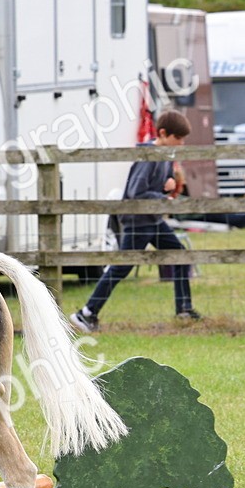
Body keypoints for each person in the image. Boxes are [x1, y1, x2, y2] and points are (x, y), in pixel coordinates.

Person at [69, 110, 201, 334]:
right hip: (138, 222)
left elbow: (155, 187)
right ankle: (86, 312)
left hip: (153, 221)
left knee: (181, 255)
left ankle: (184, 309)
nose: (181, 143)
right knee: (121, 268)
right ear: (163, 133)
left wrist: (167, 186)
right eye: (178, 138)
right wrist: (162, 197)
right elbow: (135, 192)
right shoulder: (148, 156)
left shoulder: (165, 157)